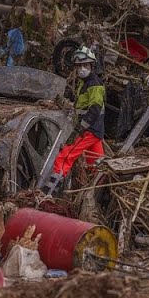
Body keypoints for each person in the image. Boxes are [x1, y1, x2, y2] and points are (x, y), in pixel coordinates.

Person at [43, 46, 105, 196]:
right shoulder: (84, 83)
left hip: (89, 130)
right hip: (95, 131)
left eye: (86, 66)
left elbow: (94, 110)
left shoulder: (94, 85)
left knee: (65, 156)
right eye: (79, 66)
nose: (82, 69)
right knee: (97, 164)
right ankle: (100, 193)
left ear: (92, 66)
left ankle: (47, 194)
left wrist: (80, 129)